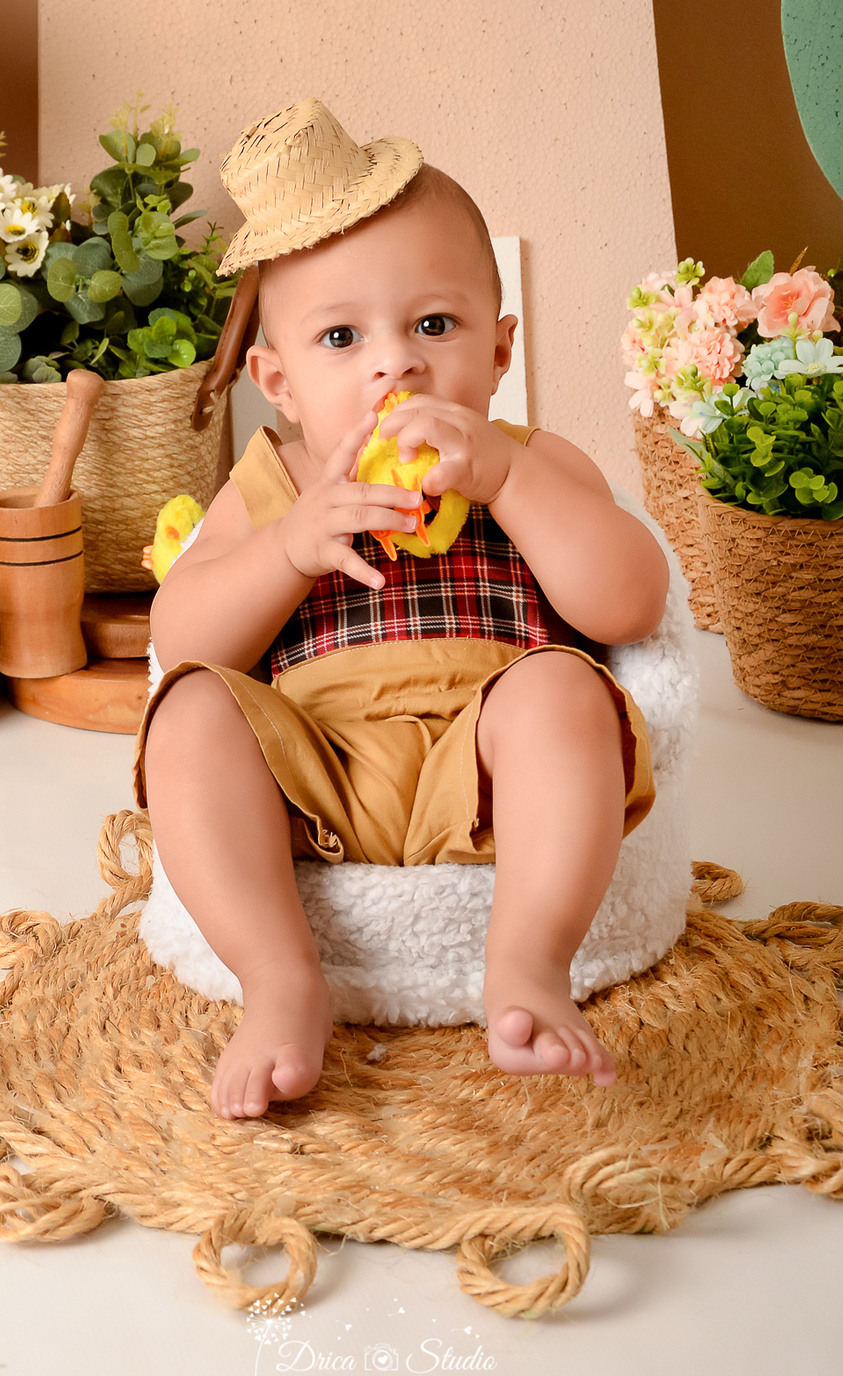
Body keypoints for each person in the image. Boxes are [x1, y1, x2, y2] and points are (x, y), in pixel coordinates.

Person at [136, 98, 669, 1120]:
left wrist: (507, 477)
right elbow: (182, 638)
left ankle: (528, 964)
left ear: (501, 351)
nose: (397, 363)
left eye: (435, 325)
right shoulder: (273, 483)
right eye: (342, 337)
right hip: (316, 766)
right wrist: (288, 550)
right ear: (278, 381)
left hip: (488, 757)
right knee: (190, 711)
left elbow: (634, 603)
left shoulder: (532, 459)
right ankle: (280, 979)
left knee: (564, 691)